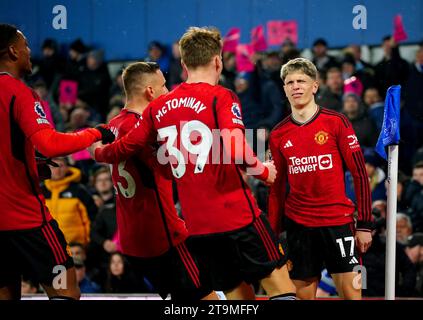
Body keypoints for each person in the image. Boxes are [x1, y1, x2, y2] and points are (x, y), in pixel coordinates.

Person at [93, 27, 296, 300]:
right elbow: (236, 148)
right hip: (237, 215)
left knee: (237, 295)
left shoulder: (157, 108)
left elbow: (125, 147)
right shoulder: (221, 97)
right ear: (217, 61)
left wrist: (97, 151)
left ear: (183, 64)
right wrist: (264, 171)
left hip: (199, 228)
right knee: (282, 289)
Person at [0, 24, 114, 300]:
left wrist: (29, 162)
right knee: (67, 292)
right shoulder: (19, 93)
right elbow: (50, 144)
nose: (30, 52)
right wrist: (96, 131)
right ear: (13, 51)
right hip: (26, 220)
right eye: (26, 46)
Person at [95, 61, 217, 301]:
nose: (168, 92)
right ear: (150, 91)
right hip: (163, 237)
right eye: (163, 86)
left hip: (132, 241)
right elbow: (175, 170)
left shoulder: (114, 125)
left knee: (179, 300)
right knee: (206, 297)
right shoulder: (143, 128)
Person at [268, 57, 373, 300]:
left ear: (314, 86)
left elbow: (359, 174)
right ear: (284, 89)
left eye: (301, 81)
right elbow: (276, 188)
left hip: (338, 223)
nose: (295, 86)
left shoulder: (337, 122)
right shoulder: (278, 134)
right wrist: (274, 236)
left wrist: (365, 223)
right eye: (290, 82)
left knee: (352, 294)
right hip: (299, 227)